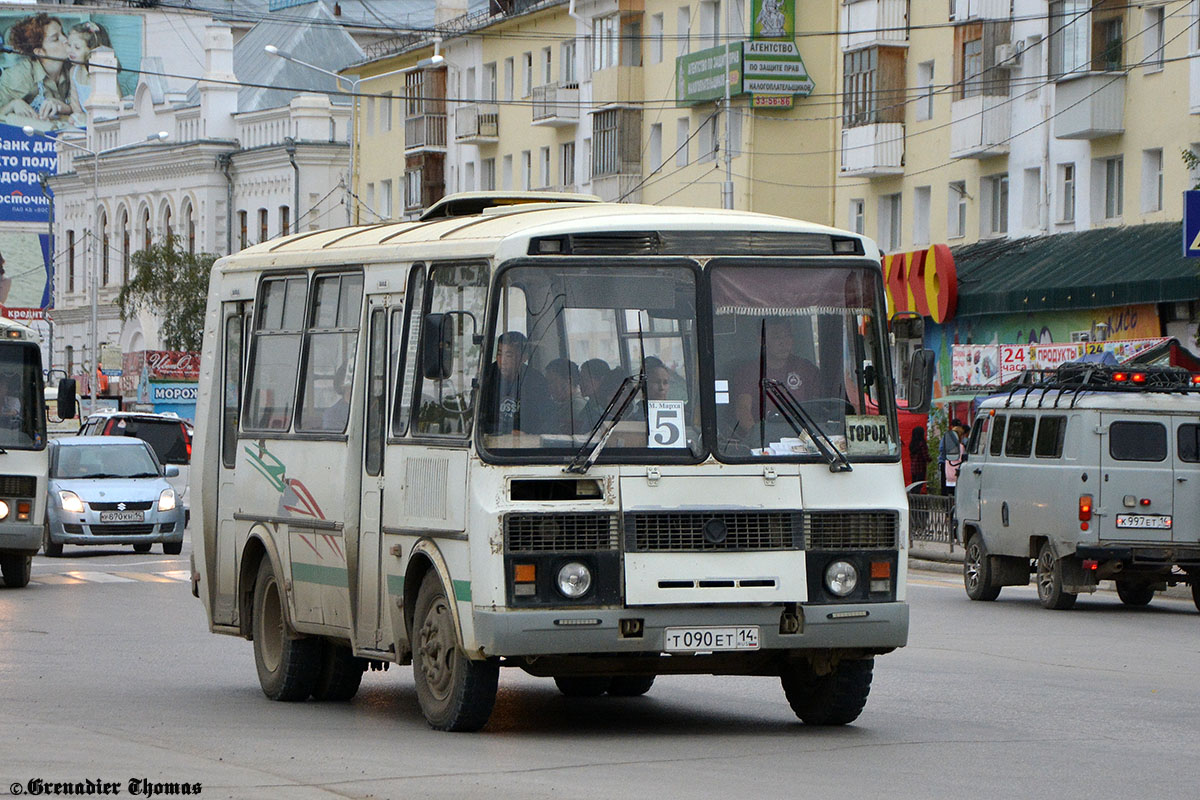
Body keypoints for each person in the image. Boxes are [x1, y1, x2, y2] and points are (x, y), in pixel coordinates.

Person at [732, 317, 820, 433]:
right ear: (761, 340)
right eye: (777, 337)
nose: (784, 342)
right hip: (765, 442)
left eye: (787, 336)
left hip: (804, 439)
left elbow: (820, 408)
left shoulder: (806, 369)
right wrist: (759, 437)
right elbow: (743, 411)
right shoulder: (748, 372)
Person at [0, 13, 75, 125]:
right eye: (55, 39)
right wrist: (13, 104)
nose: (65, 40)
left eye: (63, 33)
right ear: (39, 52)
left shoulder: (73, 69)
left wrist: (65, 107)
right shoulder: (19, 76)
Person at [479, 331, 549, 435]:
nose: (502, 361)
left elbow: (544, 418)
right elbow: (478, 418)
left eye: (509, 356)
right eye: (499, 354)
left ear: (524, 357)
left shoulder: (536, 381)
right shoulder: (487, 377)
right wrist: (505, 431)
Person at [66, 20, 115, 119]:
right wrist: (78, 117)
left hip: (104, 120)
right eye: (69, 45)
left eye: (77, 47)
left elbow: (115, 105)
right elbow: (76, 106)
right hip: (85, 122)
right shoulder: (74, 72)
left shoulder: (102, 73)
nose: (71, 51)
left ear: (92, 49)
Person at [543, 357, 590, 433]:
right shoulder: (561, 405)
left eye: (552, 382)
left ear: (569, 380)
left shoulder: (576, 407)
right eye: (548, 383)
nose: (549, 387)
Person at [939, 419, 966, 496]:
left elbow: (941, 449)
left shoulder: (947, 442)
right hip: (956, 472)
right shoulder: (961, 446)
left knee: (946, 490)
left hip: (947, 470)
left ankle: (945, 505)